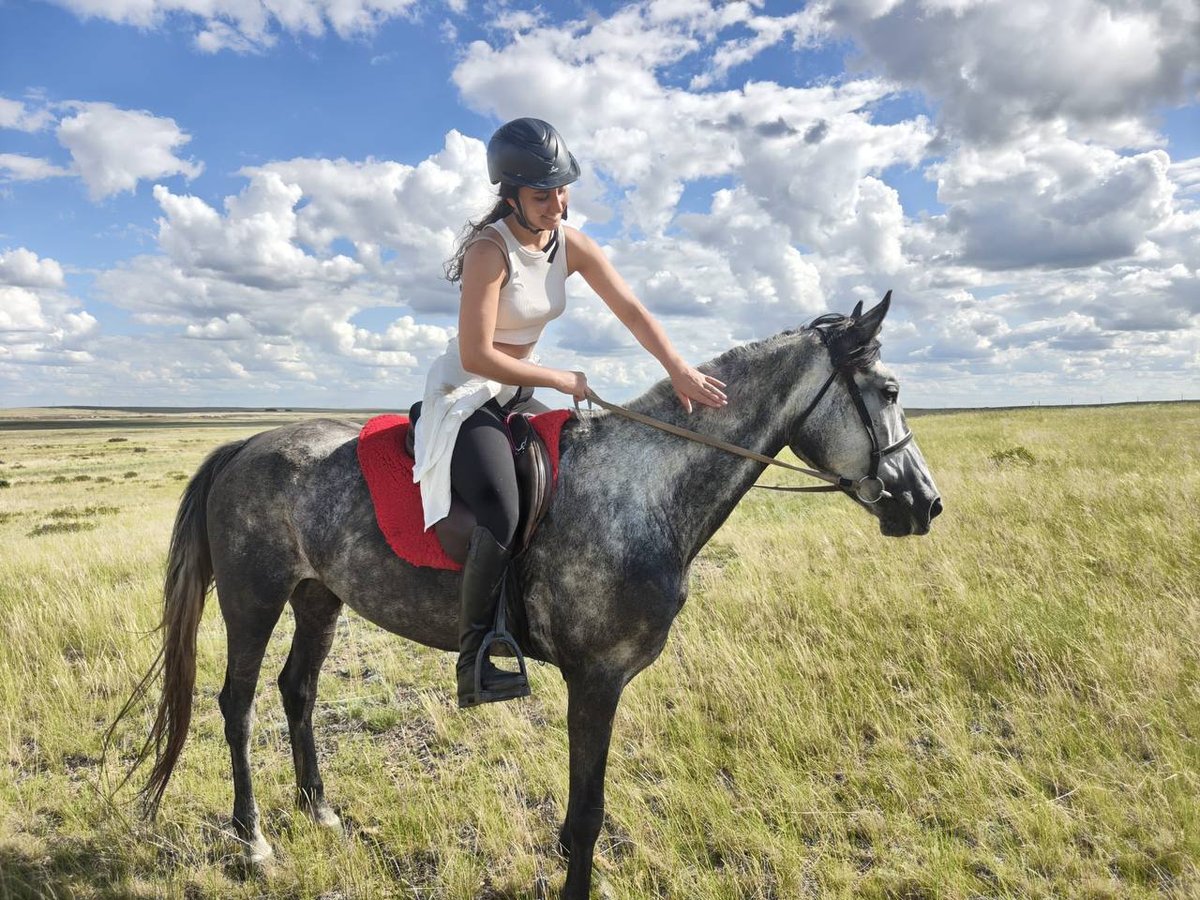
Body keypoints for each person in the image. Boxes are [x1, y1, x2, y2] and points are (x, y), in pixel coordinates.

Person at [412, 117, 727, 708]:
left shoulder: (569, 243)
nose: (558, 204)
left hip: (515, 390)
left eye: (563, 189)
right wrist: (560, 378)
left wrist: (677, 368)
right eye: (542, 194)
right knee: (503, 510)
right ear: (511, 196)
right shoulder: (489, 249)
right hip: (465, 392)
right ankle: (475, 652)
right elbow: (479, 352)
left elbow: (631, 309)